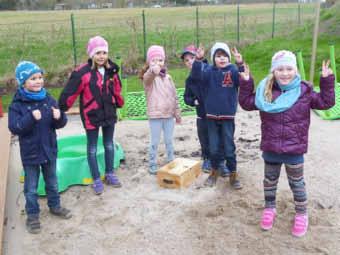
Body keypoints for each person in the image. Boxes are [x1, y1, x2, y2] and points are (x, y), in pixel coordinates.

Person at [238, 50, 335, 237]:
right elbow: (246, 103)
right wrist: (246, 82)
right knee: (269, 182)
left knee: (297, 183)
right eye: (280, 69)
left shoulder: (304, 91)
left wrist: (327, 81)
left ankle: (301, 214)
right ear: (273, 71)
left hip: (294, 149)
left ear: (296, 70)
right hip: (271, 147)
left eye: (289, 68)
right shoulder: (265, 91)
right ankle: (269, 208)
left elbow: (325, 102)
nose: (285, 73)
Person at [8, 61, 72, 234]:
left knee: (52, 181)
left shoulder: (48, 99)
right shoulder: (17, 104)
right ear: (23, 83)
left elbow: (59, 124)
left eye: (40, 77)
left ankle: (55, 206)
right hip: (30, 153)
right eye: (33, 78)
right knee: (31, 187)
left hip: (49, 149)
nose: (38, 81)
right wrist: (30, 117)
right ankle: (33, 215)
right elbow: (14, 127)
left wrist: (60, 117)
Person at [59, 36, 124, 195]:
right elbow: (70, 90)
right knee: (92, 148)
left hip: (108, 112)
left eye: (104, 52)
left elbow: (117, 88)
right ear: (91, 54)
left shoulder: (112, 70)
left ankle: (109, 173)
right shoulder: (83, 73)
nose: (101, 56)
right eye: (97, 53)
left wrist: (119, 102)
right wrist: (61, 107)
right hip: (91, 114)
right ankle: (96, 178)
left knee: (109, 144)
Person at [190, 42, 244, 189]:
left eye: (225, 56)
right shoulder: (208, 71)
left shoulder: (232, 70)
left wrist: (240, 63)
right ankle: (214, 172)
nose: (222, 59)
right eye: (218, 56)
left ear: (229, 58)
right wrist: (199, 60)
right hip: (211, 117)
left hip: (228, 117)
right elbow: (195, 77)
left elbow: (243, 79)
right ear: (213, 58)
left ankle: (233, 174)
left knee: (229, 147)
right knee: (213, 148)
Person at [181, 44, 229, 176]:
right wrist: (193, 101)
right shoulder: (189, 80)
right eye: (187, 60)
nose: (190, 61)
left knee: (220, 138)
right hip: (201, 115)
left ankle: (221, 162)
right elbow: (186, 97)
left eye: (192, 58)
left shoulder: (208, 70)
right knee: (204, 138)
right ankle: (207, 159)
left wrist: (201, 60)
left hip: (215, 113)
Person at [139, 45, 181, 174]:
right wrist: (153, 71)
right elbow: (147, 77)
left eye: (160, 60)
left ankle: (170, 160)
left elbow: (174, 96)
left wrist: (177, 112)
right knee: (155, 141)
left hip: (168, 115)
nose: (157, 63)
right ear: (149, 62)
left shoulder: (168, 78)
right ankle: (152, 164)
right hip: (155, 115)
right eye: (154, 60)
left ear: (164, 62)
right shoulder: (149, 78)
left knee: (169, 140)